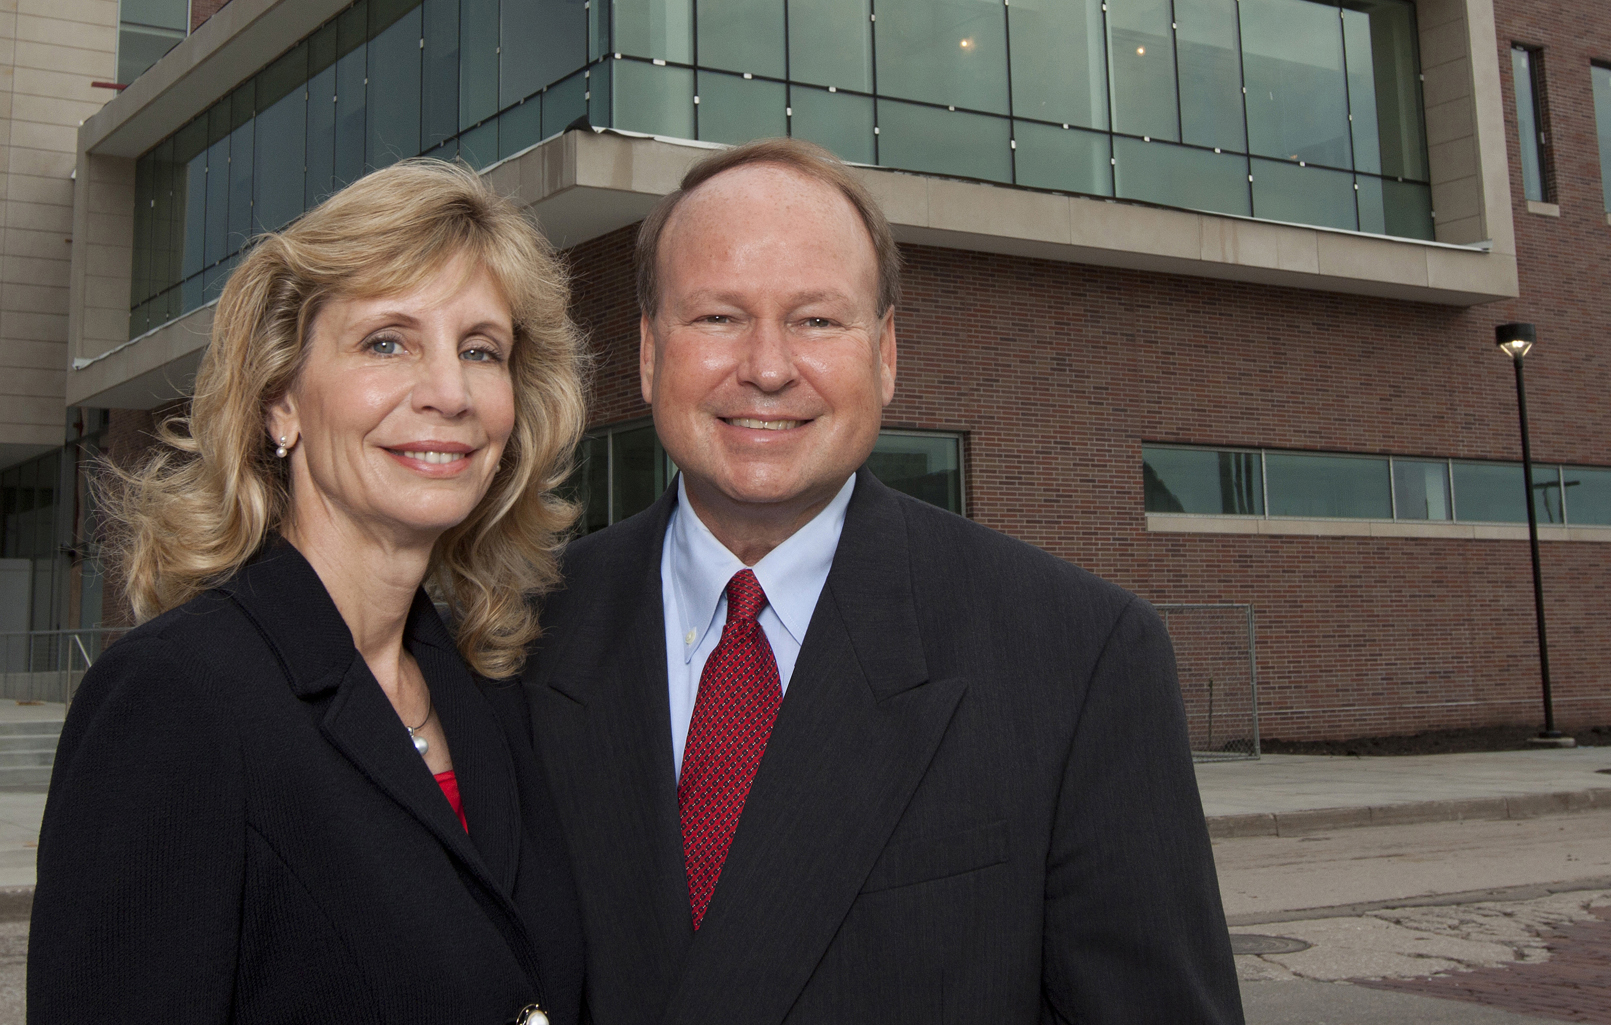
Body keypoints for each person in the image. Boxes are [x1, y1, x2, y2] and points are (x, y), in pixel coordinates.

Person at [523, 139, 1243, 1024]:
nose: (768, 366)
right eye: (716, 318)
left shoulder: (1079, 656)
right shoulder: (515, 633)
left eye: (817, 320)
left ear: (887, 353)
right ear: (646, 353)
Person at [30, 160, 585, 1025]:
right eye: (386, 342)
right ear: (279, 400)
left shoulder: (490, 689)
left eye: (481, 350)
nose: (449, 393)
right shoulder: (178, 697)